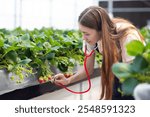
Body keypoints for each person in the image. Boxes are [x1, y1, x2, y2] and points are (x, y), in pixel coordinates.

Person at [53, 6, 144, 100]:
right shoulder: (92, 40)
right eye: (82, 33)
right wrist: (68, 80)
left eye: (87, 34)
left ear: (101, 30)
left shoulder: (128, 37)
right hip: (118, 75)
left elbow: (135, 73)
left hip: (136, 79)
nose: (84, 38)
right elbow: (88, 69)